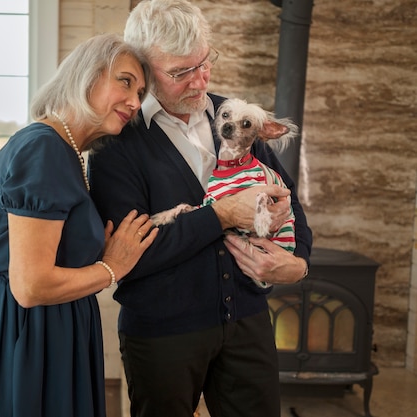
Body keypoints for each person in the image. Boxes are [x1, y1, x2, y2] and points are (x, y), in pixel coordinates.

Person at [88, 1, 313, 416]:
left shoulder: (237, 116)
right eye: (180, 72)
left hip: (247, 319)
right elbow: (130, 257)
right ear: (142, 68)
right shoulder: (116, 144)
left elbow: (289, 200)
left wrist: (299, 263)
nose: (200, 81)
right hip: (162, 334)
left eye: (205, 63)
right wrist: (223, 214)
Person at [0, 33, 158, 417]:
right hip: (24, 336)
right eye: (125, 81)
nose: (134, 101)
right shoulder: (43, 148)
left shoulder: (67, 151)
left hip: (44, 332)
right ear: (85, 76)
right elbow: (30, 286)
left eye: (141, 92)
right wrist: (113, 267)